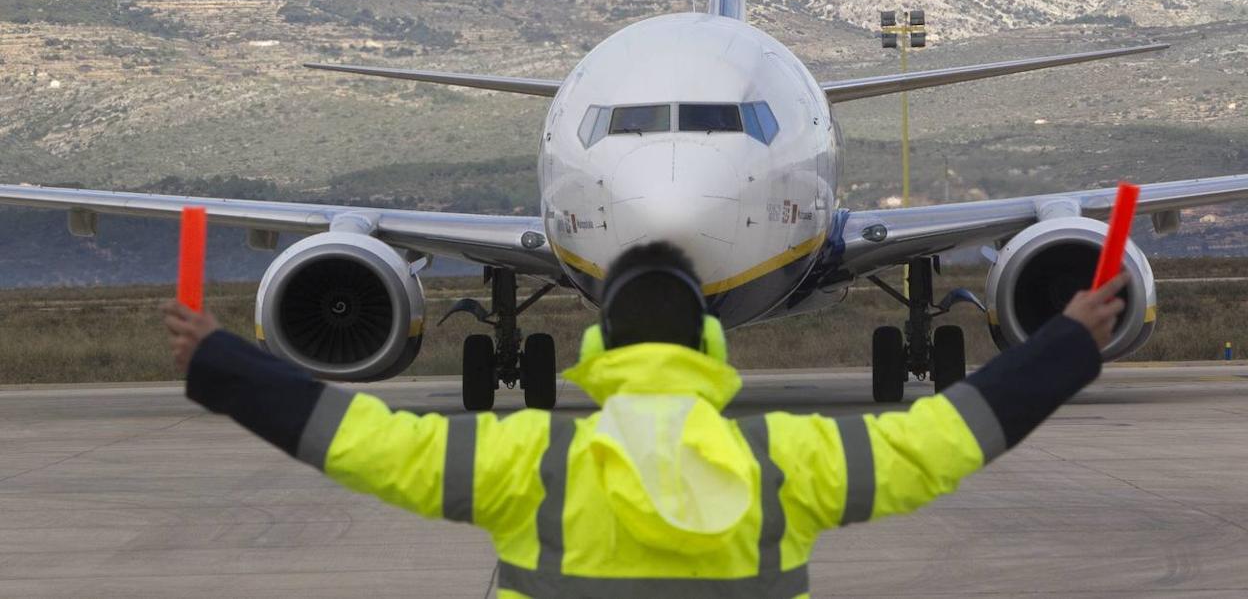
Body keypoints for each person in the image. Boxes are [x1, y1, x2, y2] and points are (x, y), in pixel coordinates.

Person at [164, 242, 1128, 598]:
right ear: (711, 342)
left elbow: (354, 438)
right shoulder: (788, 461)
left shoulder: (527, 461)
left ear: (599, 346)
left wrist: (220, 360)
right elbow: (950, 436)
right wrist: (1069, 340)